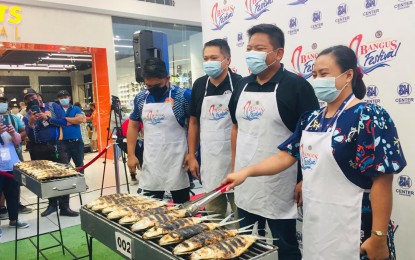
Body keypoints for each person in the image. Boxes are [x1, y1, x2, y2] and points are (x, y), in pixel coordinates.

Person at [223, 45, 407, 260]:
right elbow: (286, 156)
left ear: (348, 75)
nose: (318, 79)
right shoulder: (311, 119)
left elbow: (383, 180)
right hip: (317, 224)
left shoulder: (368, 116)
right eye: (315, 74)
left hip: (356, 225)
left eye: (324, 74)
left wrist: (378, 236)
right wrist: (246, 172)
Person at [228, 24, 319, 260]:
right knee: (244, 243)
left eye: (259, 48)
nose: (251, 54)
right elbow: (236, 127)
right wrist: (235, 168)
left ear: (278, 53)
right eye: (249, 48)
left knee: (286, 247)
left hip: (281, 184)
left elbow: (312, 139)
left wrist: (303, 179)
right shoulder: (241, 85)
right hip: (246, 182)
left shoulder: (297, 87)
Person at [185, 39, 242, 218]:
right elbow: (193, 122)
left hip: (237, 163)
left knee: (240, 217)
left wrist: (238, 166)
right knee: (213, 217)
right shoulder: (200, 85)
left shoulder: (240, 84)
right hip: (210, 162)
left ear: (227, 60)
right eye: (205, 58)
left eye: (214, 58)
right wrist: (192, 155)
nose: (209, 62)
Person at [127, 58, 191, 204]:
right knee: (150, 210)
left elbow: (194, 125)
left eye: (158, 84)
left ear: (167, 78)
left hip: (178, 161)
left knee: (182, 209)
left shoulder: (183, 96)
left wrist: (192, 153)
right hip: (152, 161)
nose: (153, 88)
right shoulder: (141, 98)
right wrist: (131, 154)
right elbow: (133, 126)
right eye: (149, 85)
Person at [23, 89, 79, 217]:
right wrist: (31, 124)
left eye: (33, 97)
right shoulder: (27, 115)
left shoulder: (53, 106)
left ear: (38, 96)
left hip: (56, 146)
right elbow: (31, 136)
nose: (31, 100)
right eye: (28, 99)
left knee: (64, 174)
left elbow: (64, 122)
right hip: (37, 149)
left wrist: (48, 117)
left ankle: (65, 207)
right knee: (45, 177)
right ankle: (52, 204)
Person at [0, 97, 32, 221]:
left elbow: (18, 141)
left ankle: (14, 219)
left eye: (3, 102)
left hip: (11, 162)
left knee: (12, 192)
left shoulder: (12, 118)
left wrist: (13, 133)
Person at [58, 90, 86, 172]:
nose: (63, 99)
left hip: (76, 140)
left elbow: (80, 119)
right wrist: (73, 120)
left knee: (79, 164)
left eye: (65, 97)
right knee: (63, 166)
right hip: (62, 141)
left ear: (69, 98)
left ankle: (80, 182)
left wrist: (64, 120)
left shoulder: (76, 108)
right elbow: (55, 122)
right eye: (61, 98)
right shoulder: (56, 109)